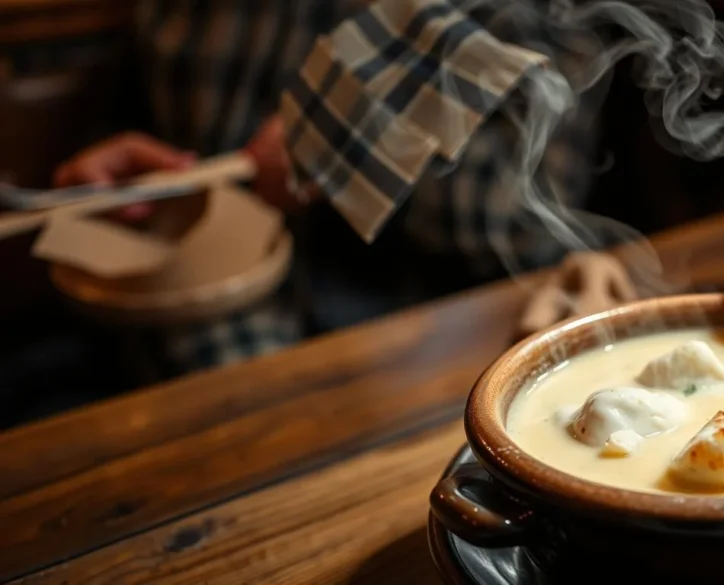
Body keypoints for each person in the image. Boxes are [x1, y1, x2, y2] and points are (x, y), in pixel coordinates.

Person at [54, 1, 600, 380]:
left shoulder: (528, 14)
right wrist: (102, 174)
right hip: (182, 306)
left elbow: (523, 228)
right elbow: (136, 125)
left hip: (399, 336)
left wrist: (364, 149)